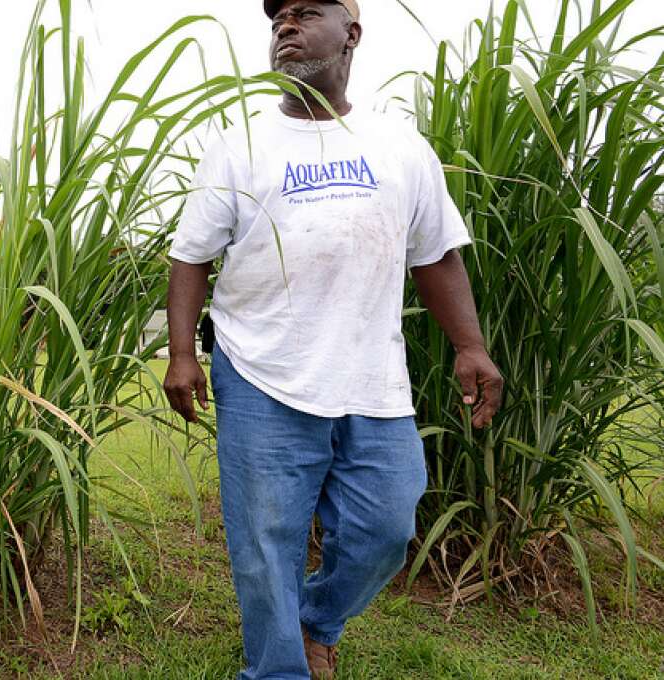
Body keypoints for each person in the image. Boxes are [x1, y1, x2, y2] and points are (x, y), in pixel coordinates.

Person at [162, 1, 505, 678]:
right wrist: (181, 353)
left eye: (306, 12)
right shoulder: (239, 145)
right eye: (277, 17)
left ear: (351, 34)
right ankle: (279, 667)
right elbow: (191, 256)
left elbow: (435, 254)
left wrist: (470, 344)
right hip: (260, 370)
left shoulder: (400, 145)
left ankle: (317, 621)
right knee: (267, 542)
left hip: (371, 376)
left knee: (386, 527)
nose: (285, 25)